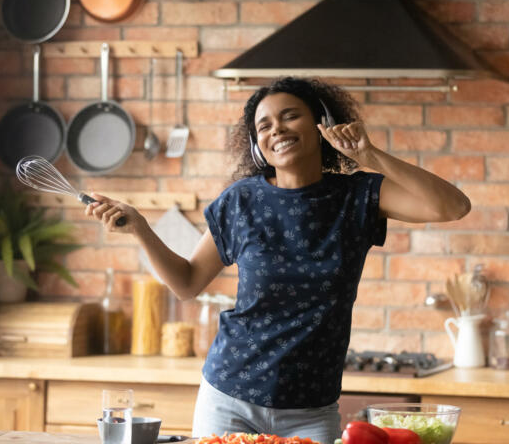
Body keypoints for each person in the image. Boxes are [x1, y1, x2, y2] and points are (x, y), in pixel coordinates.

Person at [85, 77, 471, 444]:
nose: (277, 130)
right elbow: (186, 283)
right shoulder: (240, 202)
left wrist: (368, 155)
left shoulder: (358, 197)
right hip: (229, 398)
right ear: (256, 144)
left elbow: (453, 207)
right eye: (264, 125)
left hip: (311, 410)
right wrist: (140, 228)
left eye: (290, 116)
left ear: (323, 123)